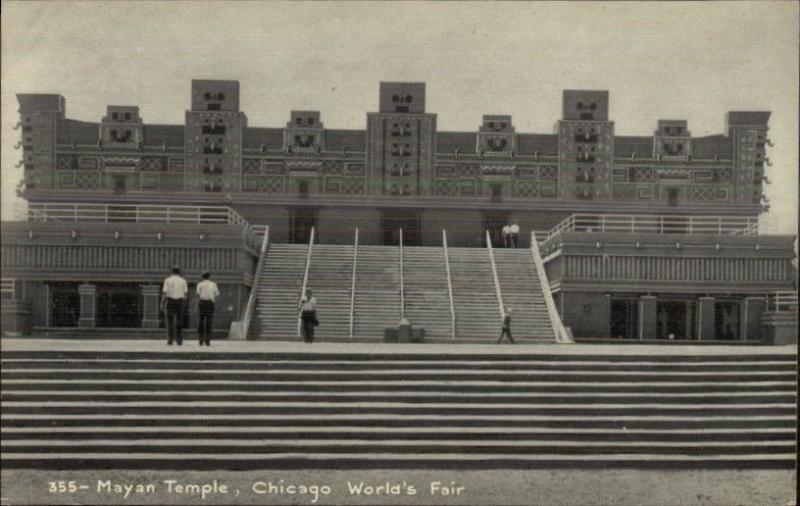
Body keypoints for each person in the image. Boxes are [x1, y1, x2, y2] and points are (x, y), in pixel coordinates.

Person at [160, 266, 188, 346]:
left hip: (170, 301)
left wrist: (162, 302)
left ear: (172, 272)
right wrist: (184, 303)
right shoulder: (183, 280)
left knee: (169, 322)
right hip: (179, 301)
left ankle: (170, 340)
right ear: (179, 272)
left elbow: (165, 292)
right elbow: (185, 294)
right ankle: (179, 340)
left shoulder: (167, 280)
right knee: (179, 321)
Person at [194, 271, 219, 346]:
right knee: (209, 321)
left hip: (202, 303)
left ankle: (200, 340)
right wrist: (214, 302)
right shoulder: (213, 284)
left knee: (201, 321)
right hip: (210, 303)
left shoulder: (200, 284)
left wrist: (196, 305)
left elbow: (198, 295)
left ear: (202, 277)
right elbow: (216, 294)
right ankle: (207, 340)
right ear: (209, 277)